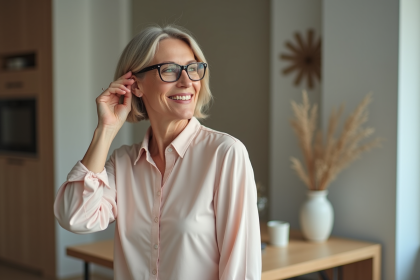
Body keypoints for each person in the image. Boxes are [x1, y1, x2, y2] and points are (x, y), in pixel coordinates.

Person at [54, 25, 261, 280]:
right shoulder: (122, 163)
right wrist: (105, 131)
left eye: (193, 69)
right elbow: (75, 217)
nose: (187, 82)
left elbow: (241, 270)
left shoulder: (226, 155)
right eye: (170, 70)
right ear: (135, 85)